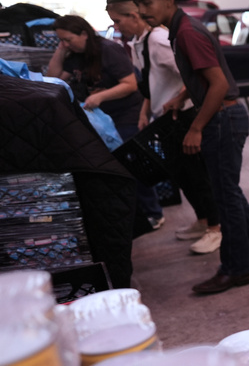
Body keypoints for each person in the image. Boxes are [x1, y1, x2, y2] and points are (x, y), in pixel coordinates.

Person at [128, 0, 249, 295]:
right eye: (138, 4)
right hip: (224, 116)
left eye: (147, 3)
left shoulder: (187, 32)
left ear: (168, 0)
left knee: (224, 198)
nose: (142, 11)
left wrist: (195, 128)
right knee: (229, 193)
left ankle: (236, 270)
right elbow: (206, 78)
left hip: (222, 118)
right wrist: (180, 97)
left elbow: (219, 84)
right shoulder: (177, 30)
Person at [105, 0, 222, 256]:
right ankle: (203, 221)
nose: (116, 27)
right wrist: (145, 110)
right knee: (182, 175)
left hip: (182, 115)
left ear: (133, 15)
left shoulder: (157, 40)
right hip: (165, 116)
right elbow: (151, 81)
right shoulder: (140, 41)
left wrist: (180, 100)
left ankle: (215, 228)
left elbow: (189, 75)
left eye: (118, 21)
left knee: (196, 175)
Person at [46, 13, 165, 232]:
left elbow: (129, 84)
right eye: (61, 40)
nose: (65, 44)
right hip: (102, 120)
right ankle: (134, 214)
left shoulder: (108, 50)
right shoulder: (73, 55)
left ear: (83, 33)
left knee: (131, 164)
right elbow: (53, 79)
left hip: (126, 115)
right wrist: (61, 50)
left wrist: (101, 96)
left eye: (68, 39)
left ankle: (153, 212)